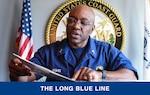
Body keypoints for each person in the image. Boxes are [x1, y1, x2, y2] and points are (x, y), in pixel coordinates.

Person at [9, 4, 138, 82]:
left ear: (92, 29)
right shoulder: (48, 52)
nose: (76, 26)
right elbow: (26, 79)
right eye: (71, 20)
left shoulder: (106, 51)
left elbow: (131, 77)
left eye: (83, 22)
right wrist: (18, 73)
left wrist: (100, 76)